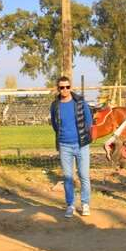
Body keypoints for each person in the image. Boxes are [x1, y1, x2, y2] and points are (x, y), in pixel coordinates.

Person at [50, 76, 93, 218]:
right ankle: (70, 205)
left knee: (84, 176)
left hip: (81, 145)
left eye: (67, 87)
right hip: (64, 146)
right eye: (62, 87)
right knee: (68, 177)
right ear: (58, 88)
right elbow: (55, 125)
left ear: (71, 87)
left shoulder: (80, 102)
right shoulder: (55, 105)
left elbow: (88, 119)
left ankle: (85, 204)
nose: (65, 90)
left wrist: (83, 134)